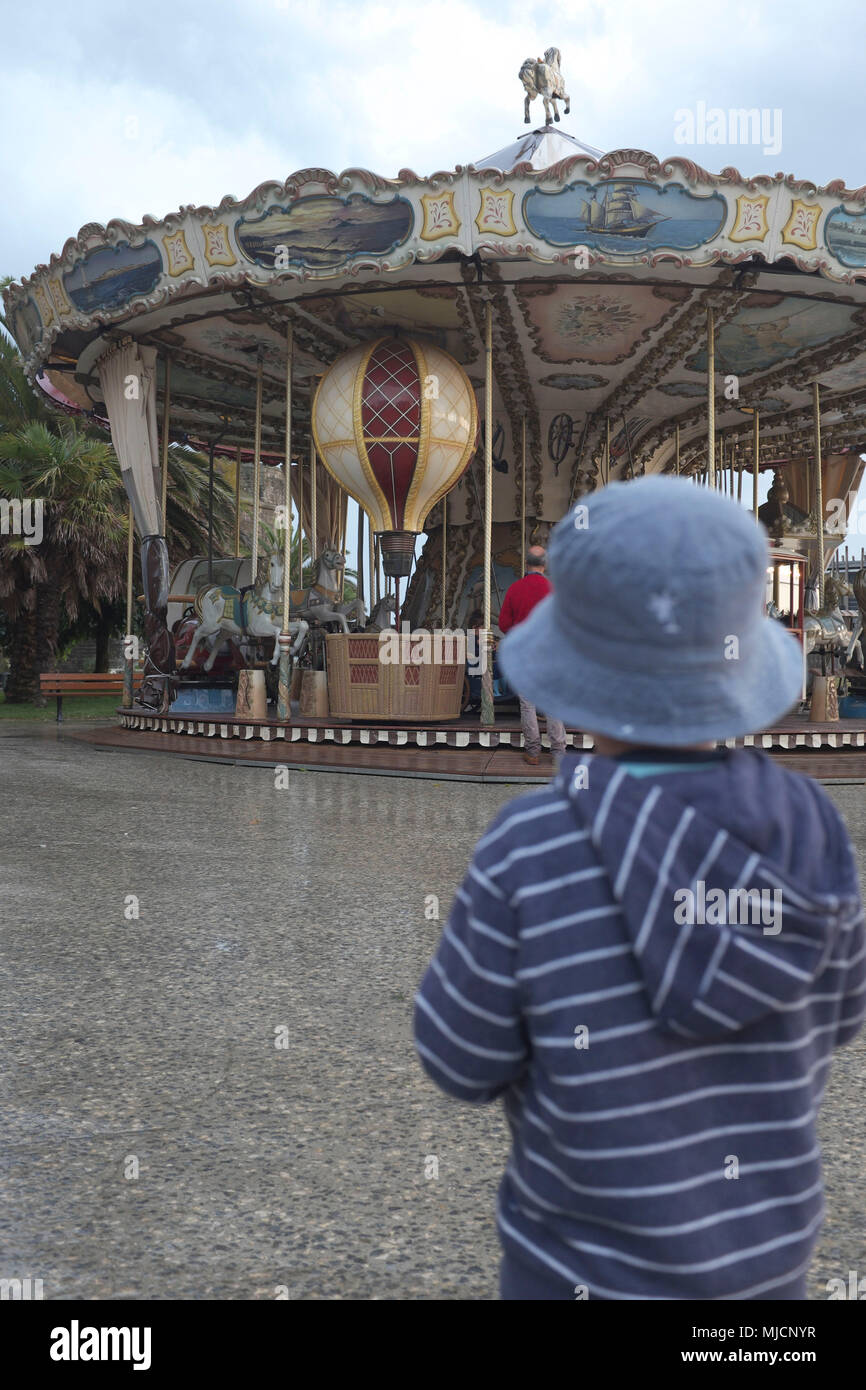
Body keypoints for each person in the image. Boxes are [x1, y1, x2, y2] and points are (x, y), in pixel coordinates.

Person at [414, 476, 865, 1301]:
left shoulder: (530, 848)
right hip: (762, 1282)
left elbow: (460, 1057)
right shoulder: (814, 827)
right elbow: (841, 1016)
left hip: (577, 1275)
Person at [497, 545, 567, 765]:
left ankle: (533, 751)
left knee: (528, 704)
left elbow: (504, 624)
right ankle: (558, 752)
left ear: (526, 564)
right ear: (545, 565)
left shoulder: (515, 589)